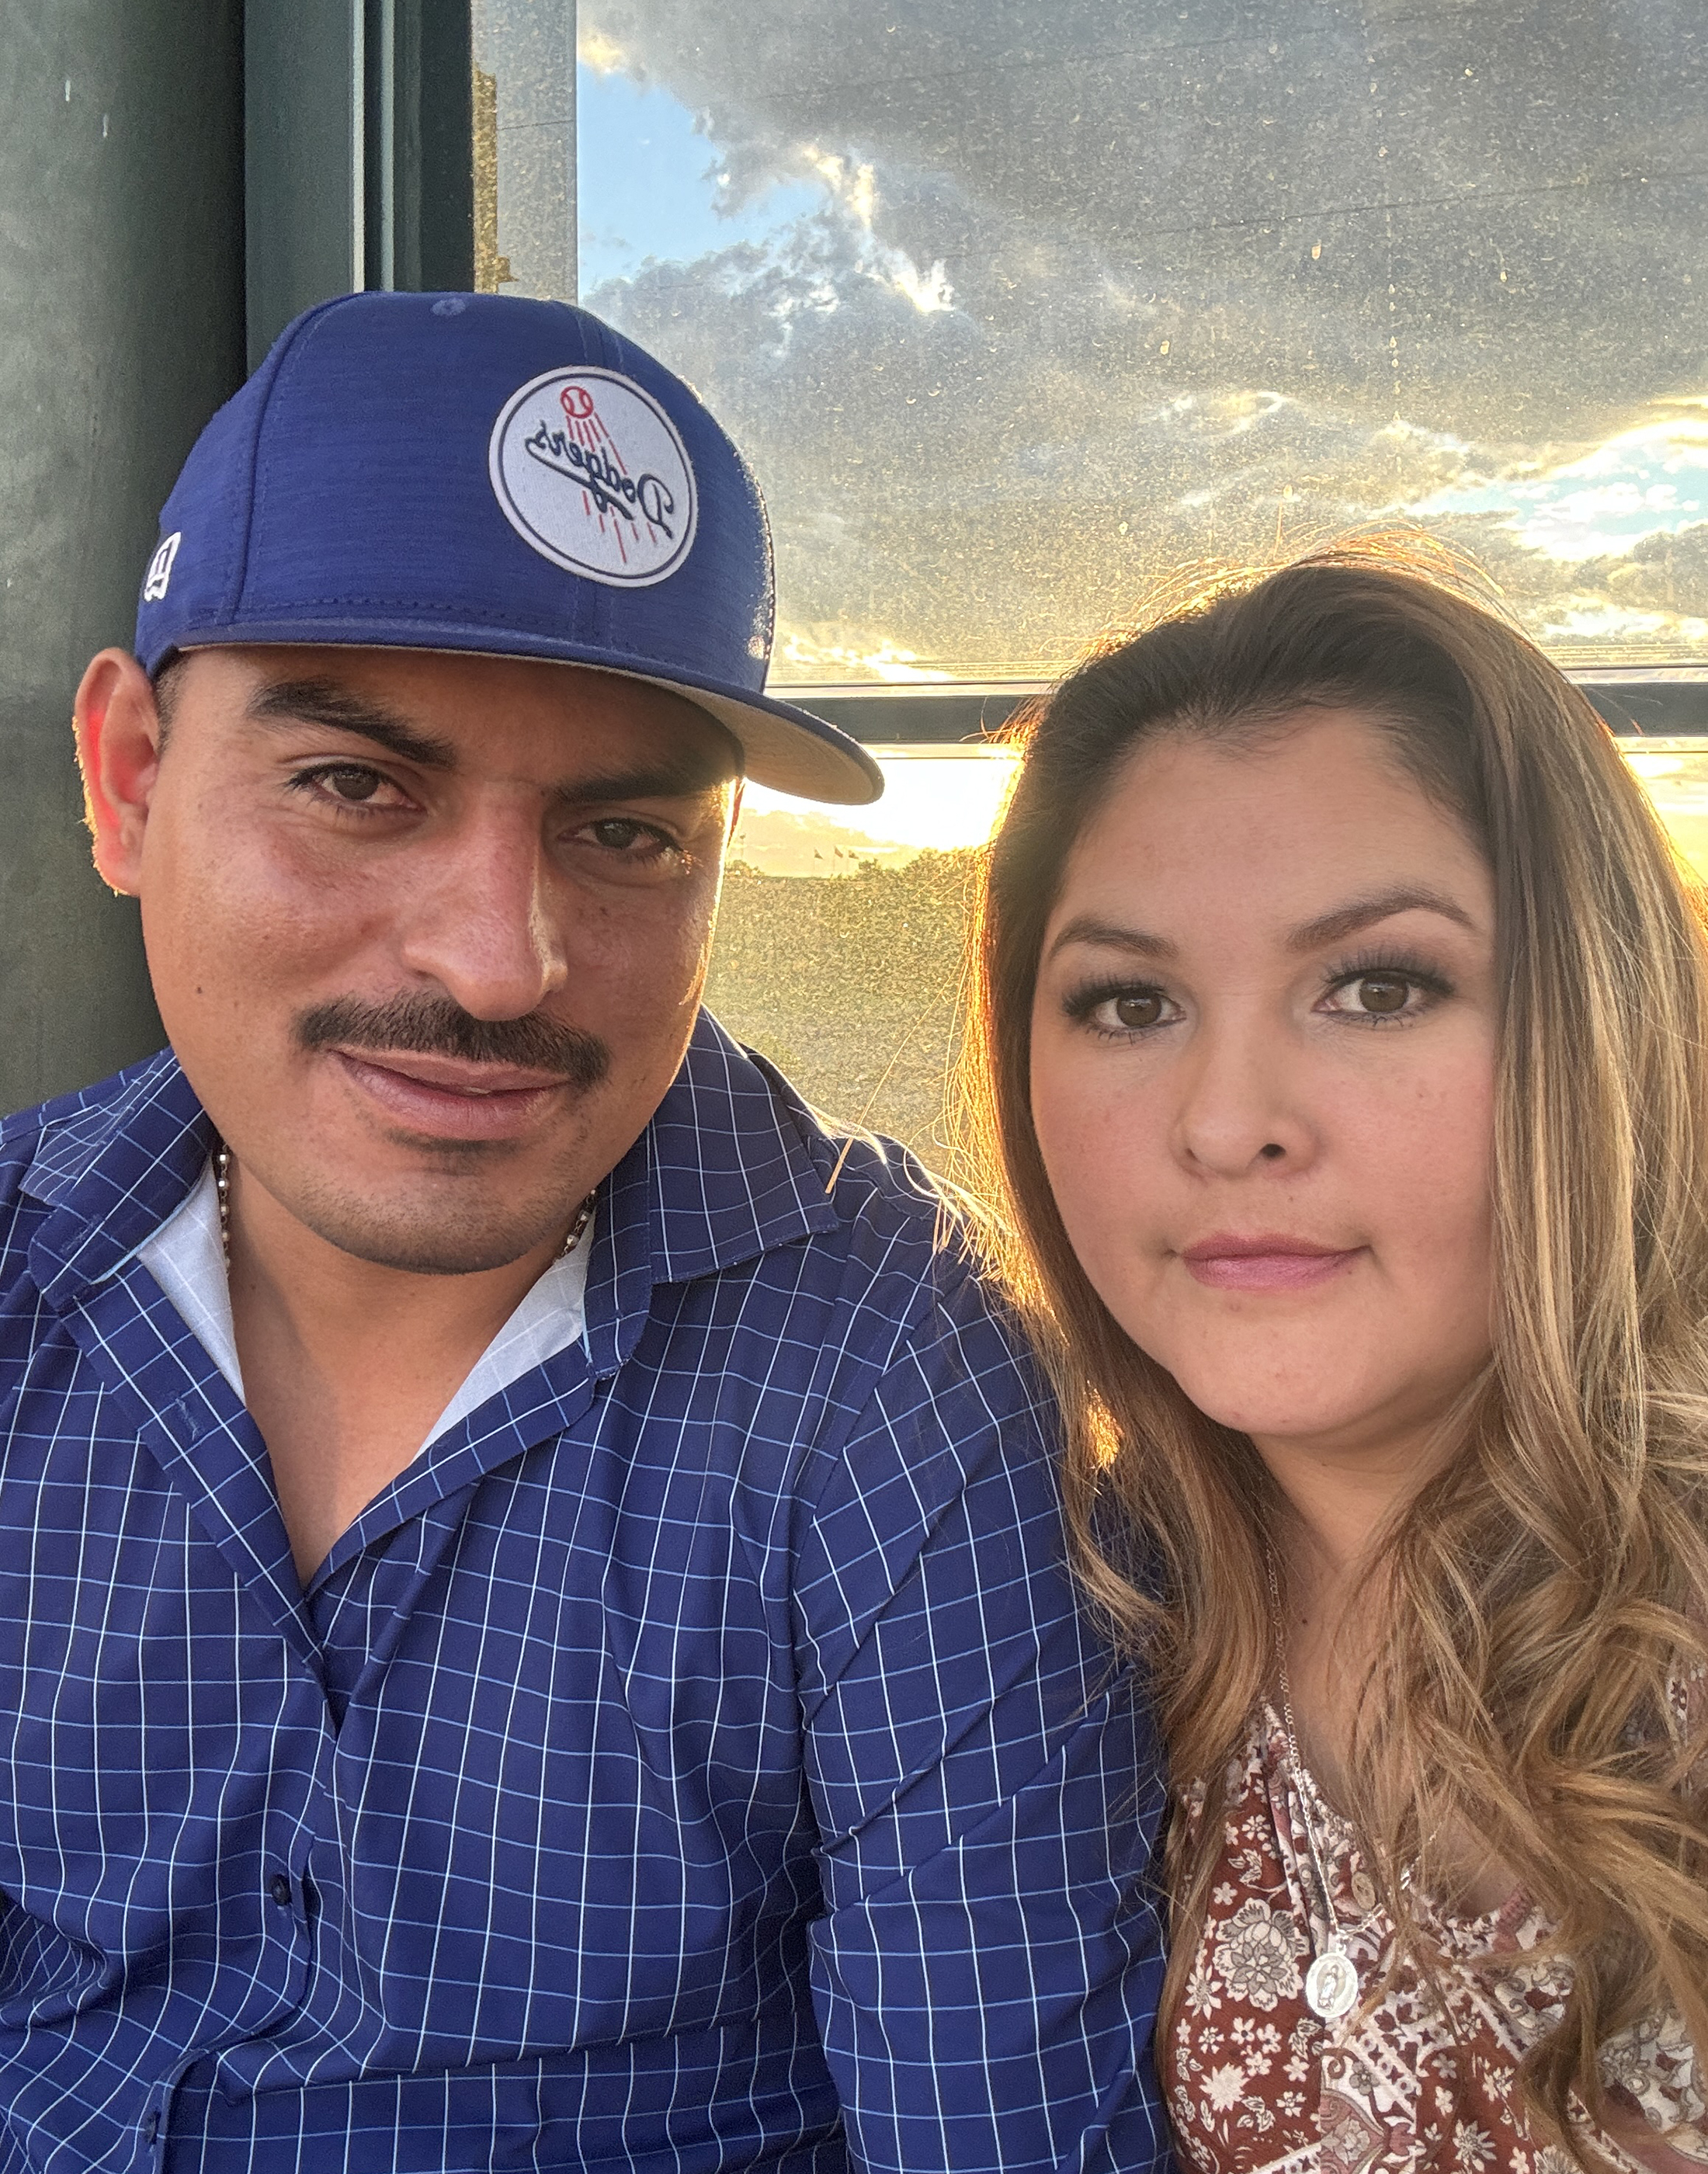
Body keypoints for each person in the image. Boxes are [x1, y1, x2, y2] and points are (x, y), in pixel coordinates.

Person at [0, 290, 1170, 2173]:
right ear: (128, 777)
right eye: (357, 787)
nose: (496, 959)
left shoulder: (891, 1379)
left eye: (624, 834)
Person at [959, 549, 1708, 2174]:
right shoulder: (1047, 1629)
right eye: (1128, 1002)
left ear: (1596, 1026)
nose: (1228, 1122)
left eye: (1377, 986)